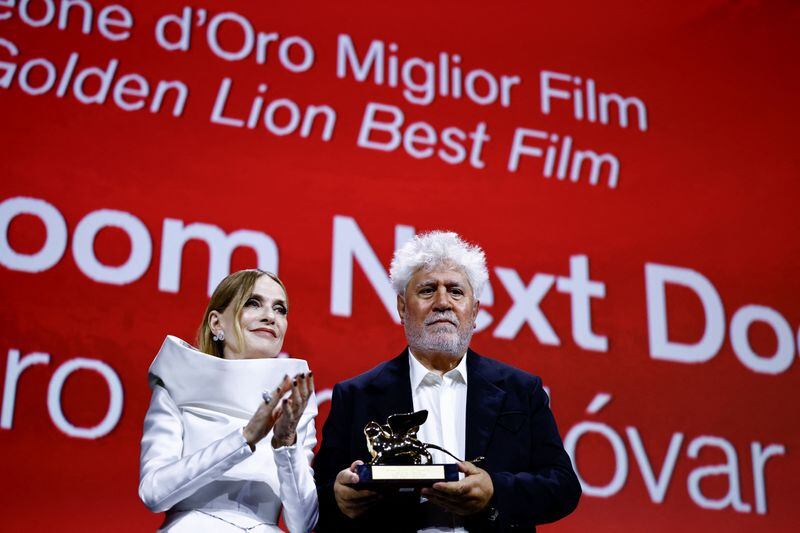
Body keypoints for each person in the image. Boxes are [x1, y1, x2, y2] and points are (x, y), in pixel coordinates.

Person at [314, 232, 581, 532]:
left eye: (456, 291)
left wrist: (495, 491)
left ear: (475, 311)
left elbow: (563, 486)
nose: (443, 302)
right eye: (427, 290)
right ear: (402, 307)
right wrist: (338, 499)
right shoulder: (355, 395)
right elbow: (318, 503)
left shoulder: (521, 391)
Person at [139, 269, 318, 533]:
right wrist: (244, 439)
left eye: (280, 309)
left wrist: (286, 445)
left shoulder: (294, 403)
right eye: (253, 303)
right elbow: (154, 492)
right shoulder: (178, 384)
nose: (271, 316)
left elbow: (303, 523)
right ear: (216, 324)